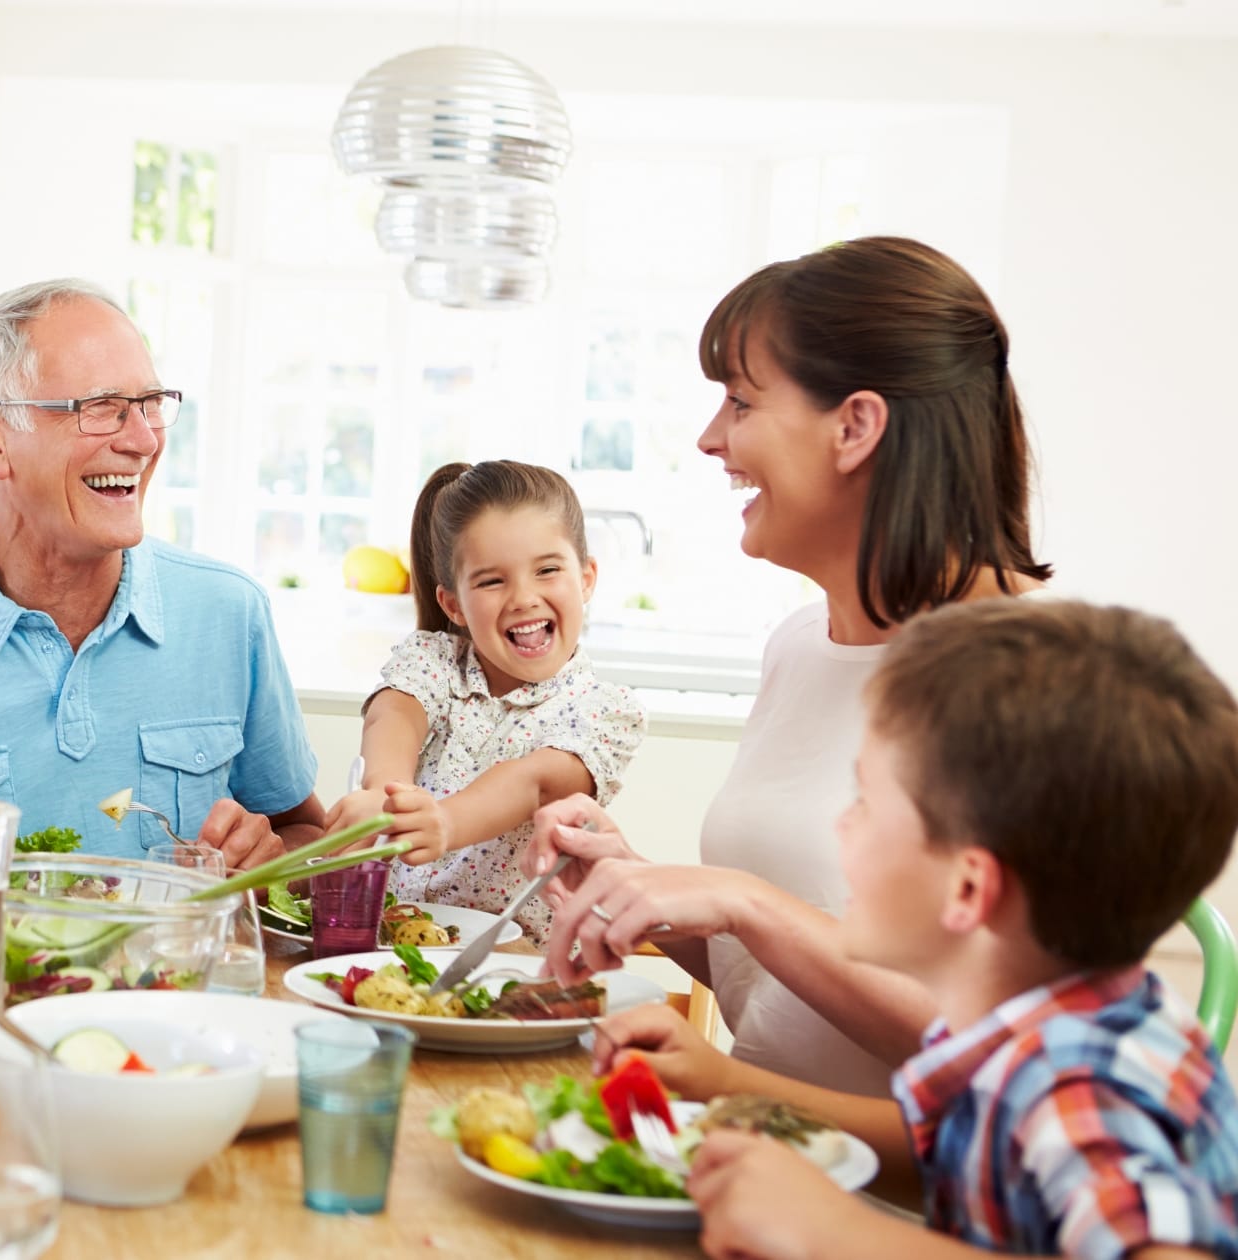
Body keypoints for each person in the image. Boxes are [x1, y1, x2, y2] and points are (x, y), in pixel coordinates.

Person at [528, 237, 1051, 1095]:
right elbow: (776, 992)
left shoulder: (1035, 681)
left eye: (739, 401)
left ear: (854, 426)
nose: (708, 438)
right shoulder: (802, 644)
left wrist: (745, 902)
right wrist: (643, 887)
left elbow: (1003, 1071)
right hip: (752, 1168)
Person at [590, 599, 1238, 1260]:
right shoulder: (1030, 1032)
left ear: (966, 889)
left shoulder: (1079, 1085)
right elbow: (948, 1156)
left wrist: (844, 1234)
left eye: (865, 802)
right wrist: (718, 1083)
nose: (842, 826)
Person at [0, 279, 323, 880]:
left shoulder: (229, 613)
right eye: (100, 408)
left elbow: (305, 832)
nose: (144, 439)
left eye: (149, 403)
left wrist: (272, 858)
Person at [321, 460, 643, 942]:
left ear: (587, 578)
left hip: (515, 966)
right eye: (493, 581)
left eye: (548, 570)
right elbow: (395, 714)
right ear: (454, 604)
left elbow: (534, 781)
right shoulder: (435, 660)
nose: (524, 598)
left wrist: (443, 823)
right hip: (395, 945)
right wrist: (388, 797)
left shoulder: (603, 710)